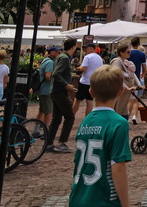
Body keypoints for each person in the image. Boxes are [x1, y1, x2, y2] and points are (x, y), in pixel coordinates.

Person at [69, 65, 131, 207]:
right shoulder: (118, 123)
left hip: (79, 196)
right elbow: (118, 168)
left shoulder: (85, 122)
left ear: (91, 92)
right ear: (121, 91)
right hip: (104, 198)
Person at [49, 38, 78, 153]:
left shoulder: (61, 56)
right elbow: (56, 73)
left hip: (55, 91)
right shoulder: (65, 58)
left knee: (56, 118)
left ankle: (49, 143)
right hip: (60, 91)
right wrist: (67, 85)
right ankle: (62, 142)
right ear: (73, 47)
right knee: (70, 116)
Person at [110, 44, 141, 120]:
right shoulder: (117, 62)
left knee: (124, 110)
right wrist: (127, 87)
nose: (130, 53)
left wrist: (139, 85)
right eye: (128, 52)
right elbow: (117, 77)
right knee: (118, 110)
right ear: (121, 52)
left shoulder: (127, 62)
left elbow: (133, 75)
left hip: (125, 92)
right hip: (119, 91)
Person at [74, 43, 103, 116]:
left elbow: (84, 69)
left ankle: (72, 115)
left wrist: (79, 68)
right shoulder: (99, 58)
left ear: (92, 48)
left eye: (86, 48)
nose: (85, 50)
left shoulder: (87, 57)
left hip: (85, 81)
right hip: (93, 81)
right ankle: (87, 117)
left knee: (77, 99)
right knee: (89, 100)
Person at [37, 46, 60, 128]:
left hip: (43, 89)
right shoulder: (50, 62)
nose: (59, 54)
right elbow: (48, 76)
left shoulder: (45, 60)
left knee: (42, 110)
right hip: (47, 90)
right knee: (48, 112)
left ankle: (37, 128)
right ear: (52, 52)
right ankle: (45, 130)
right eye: (58, 52)